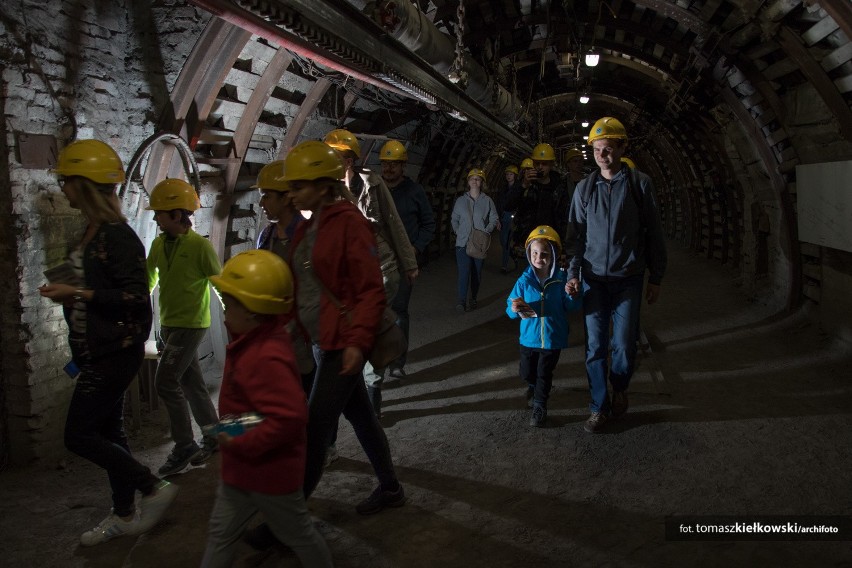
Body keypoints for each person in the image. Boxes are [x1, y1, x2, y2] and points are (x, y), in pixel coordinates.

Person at [39, 139, 178, 546]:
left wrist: (79, 294)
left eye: (67, 180)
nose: (63, 188)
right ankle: (123, 513)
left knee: (78, 435)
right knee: (111, 433)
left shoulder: (118, 235)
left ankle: (152, 486)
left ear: (86, 184)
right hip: (94, 350)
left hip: (114, 352)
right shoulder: (89, 232)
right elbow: (91, 285)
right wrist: (69, 290)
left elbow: (136, 299)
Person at [286, 140, 405, 512]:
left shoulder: (349, 222)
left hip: (343, 343)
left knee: (315, 426)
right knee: (361, 416)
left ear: (324, 185)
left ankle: (286, 520)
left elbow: (370, 290)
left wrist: (357, 343)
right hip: (324, 339)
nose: (292, 195)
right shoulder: (311, 225)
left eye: (299, 186)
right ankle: (391, 489)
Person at [201, 250, 332, 568]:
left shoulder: (266, 355)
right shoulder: (251, 342)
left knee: (299, 534)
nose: (224, 309)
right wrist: (231, 428)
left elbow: (287, 416)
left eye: (230, 303)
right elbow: (256, 411)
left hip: (271, 475)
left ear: (254, 310)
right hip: (242, 471)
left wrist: (239, 437)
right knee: (221, 536)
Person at [565, 117, 667, 434]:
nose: (602, 155)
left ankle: (619, 385)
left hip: (628, 278)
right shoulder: (584, 189)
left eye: (608, 149)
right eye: (597, 150)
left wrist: (656, 277)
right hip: (594, 279)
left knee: (623, 344)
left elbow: (653, 233)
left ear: (622, 147)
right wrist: (573, 273)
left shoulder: (640, 185)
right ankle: (599, 406)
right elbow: (575, 237)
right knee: (595, 346)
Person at [325, 129, 417, 418]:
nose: (335, 161)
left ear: (351, 160)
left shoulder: (372, 184)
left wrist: (409, 262)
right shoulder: (319, 190)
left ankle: (371, 393)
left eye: (340, 156)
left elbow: (393, 222)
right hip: (344, 279)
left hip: (381, 270)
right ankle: (358, 395)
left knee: (369, 332)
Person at [145, 178, 222, 475]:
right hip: (170, 325)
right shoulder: (158, 244)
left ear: (177, 214)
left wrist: (237, 317)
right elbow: (147, 280)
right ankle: (214, 437)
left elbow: (219, 285)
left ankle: (183, 445)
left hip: (191, 325)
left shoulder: (199, 247)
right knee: (193, 384)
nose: (155, 217)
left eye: (160, 212)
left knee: (165, 381)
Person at [506, 226, 580, 427]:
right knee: (527, 372)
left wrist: (572, 295)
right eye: (535, 253)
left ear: (554, 255)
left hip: (552, 338)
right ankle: (532, 385)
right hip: (528, 339)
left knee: (544, 373)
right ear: (529, 254)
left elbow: (572, 307)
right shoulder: (523, 281)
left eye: (545, 254)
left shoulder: (562, 280)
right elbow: (509, 308)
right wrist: (513, 308)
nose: (539, 258)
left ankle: (540, 405)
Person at [253, 160, 314, 392]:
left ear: (287, 196)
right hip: (276, 336)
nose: (261, 203)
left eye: (267, 195)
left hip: (305, 339)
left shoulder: (309, 236)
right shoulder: (266, 236)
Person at [379, 139, 436, 378]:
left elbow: (429, 223)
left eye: (394, 164)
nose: (389, 169)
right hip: (378, 261)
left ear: (403, 166)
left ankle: (397, 362)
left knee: (399, 311)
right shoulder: (374, 189)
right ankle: (379, 357)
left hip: (403, 264)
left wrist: (416, 247)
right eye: (385, 164)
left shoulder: (414, 192)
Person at [450, 168, 498, 312]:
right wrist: (458, 232)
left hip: (479, 243)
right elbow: (454, 219)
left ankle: (473, 298)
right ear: (468, 182)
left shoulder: (487, 201)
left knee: (476, 273)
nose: (475, 181)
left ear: (482, 182)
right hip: (463, 243)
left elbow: (494, 217)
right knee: (464, 272)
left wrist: (487, 230)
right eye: (472, 179)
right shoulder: (460, 201)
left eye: (478, 179)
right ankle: (461, 301)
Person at [511, 143, 570, 250]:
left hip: (552, 239)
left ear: (551, 164)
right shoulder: (526, 184)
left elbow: (564, 217)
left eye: (544, 164)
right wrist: (523, 185)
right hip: (528, 239)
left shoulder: (559, 187)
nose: (540, 167)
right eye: (537, 163)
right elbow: (508, 206)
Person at [496, 165, 519, 273]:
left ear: (515, 175)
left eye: (511, 174)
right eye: (507, 174)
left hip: (512, 217)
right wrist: (498, 217)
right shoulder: (503, 188)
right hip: (503, 216)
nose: (508, 176)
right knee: (502, 240)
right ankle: (512, 254)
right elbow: (499, 202)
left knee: (506, 241)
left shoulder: (518, 188)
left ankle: (504, 266)